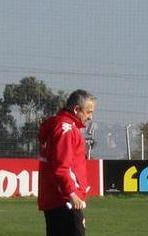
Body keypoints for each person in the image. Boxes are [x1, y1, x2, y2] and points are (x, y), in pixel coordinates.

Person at [38, 89, 96, 236]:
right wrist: (71, 192)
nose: (90, 117)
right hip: (65, 200)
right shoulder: (67, 130)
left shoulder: (58, 125)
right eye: (88, 112)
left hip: (56, 198)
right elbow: (61, 167)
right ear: (76, 109)